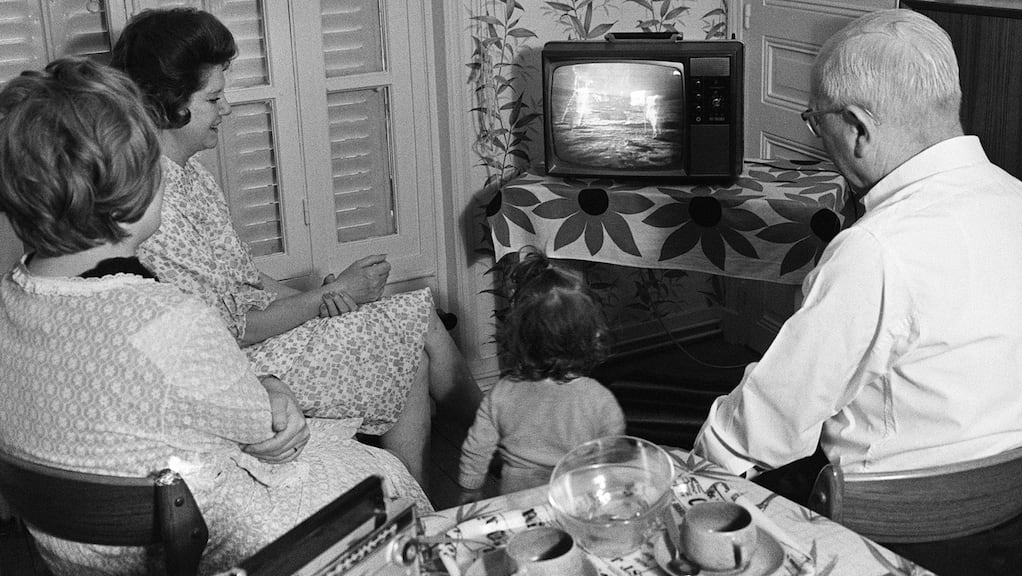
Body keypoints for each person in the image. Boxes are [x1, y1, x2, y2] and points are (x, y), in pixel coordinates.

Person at [0, 56, 430, 576]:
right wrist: (271, 384)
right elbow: (261, 426)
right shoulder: (166, 318)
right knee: (382, 478)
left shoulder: (15, 298)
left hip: (68, 550)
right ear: (128, 192)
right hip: (183, 542)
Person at [692, 9, 1022, 574]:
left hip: (892, 532)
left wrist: (691, 483)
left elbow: (766, 426)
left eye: (815, 125)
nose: (817, 139)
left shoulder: (877, 250)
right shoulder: (1016, 197)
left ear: (858, 128)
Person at [109, 7, 482, 486]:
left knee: (408, 333)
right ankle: (497, 436)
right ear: (166, 105)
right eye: (214, 98)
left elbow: (241, 275)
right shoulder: (152, 202)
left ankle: (424, 489)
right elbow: (227, 332)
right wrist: (321, 299)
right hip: (237, 368)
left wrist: (332, 300)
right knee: (412, 326)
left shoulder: (190, 173)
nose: (228, 109)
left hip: (260, 339)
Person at [457, 252, 625, 500]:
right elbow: (611, 456)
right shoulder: (599, 399)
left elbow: (478, 445)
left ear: (519, 336)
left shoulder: (503, 391)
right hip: (576, 496)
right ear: (590, 338)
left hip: (519, 498)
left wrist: (470, 486)